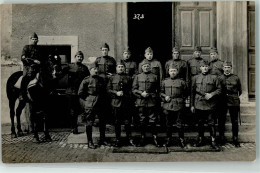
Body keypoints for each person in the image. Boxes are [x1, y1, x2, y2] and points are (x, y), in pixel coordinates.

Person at [190, 60, 222, 149]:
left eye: (206, 66)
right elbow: (192, 92)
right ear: (200, 68)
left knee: (211, 122)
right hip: (199, 102)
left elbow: (219, 90)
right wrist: (192, 105)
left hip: (210, 103)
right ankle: (200, 139)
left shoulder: (214, 78)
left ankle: (213, 141)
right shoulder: (195, 78)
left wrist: (211, 94)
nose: (205, 68)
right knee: (200, 122)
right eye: (203, 66)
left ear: (209, 67)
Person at [78, 63, 107, 149]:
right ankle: (90, 141)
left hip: (101, 102)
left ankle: (102, 139)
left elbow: (104, 91)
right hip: (90, 103)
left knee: (102, 121)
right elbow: (80, 93)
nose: (96, 70)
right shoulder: (86, 80)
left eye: (97, 68)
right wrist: (88, 100)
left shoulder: (101, 79)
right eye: (94, 69)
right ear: (90, 70)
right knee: (89, 122)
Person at [132, 59, 160, 147]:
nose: (146, 67)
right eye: (144, 66)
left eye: (148, 66)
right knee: (142, 119)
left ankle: (154, 137)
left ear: (150, 67)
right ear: (142, 67)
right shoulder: (137, 77)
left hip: (152, 100)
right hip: (141, 101)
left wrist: (154, 96)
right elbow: (133, 90)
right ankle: (142, 137)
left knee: (153, 119)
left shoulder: (155, 76)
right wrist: (141, 93)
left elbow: (159, 90)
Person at [107, 60, 135, 147]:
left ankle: (129, 138)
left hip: (126, 103)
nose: (121, 68)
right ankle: (118, 139)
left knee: (127, 122)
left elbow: (132, 89)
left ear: (124, 68)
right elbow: (108, 89)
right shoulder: (112, 78)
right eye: (119, 67)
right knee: (117, 122)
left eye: (122, 67)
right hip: (116, 103)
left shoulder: (129, 78)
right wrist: (116, 93)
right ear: (116, 68)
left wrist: (127, 94)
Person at [161, 64, 188, 148]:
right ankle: (168, 139)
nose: (173, 72)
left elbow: (186, 93)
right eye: (171, 71)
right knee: (168, 123)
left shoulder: (182, 82)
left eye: (174, 71)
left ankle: (181, 139)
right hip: (168, 104)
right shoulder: (164, 82)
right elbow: (160, 92)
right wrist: (165, 97)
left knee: (180, 123)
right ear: (168, 72)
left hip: (179, 104)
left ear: (177, 72)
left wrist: (182, 100)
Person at [62, 51, 90, 134]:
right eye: (78, 56)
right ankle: (74, 127)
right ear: (75, 57)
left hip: (81, 92)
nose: (79, 58)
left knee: (82, 110)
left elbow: (88, 79)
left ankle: (85, 127)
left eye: (81, 57)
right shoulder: (70, 66)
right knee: (72, 111)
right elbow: (61, 74)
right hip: (71, 92)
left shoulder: (85, 68)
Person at [221, 61, 242, 147]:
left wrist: (234, 96)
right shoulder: (220, 78)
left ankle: (235, 138)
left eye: (228, 67)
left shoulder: (236, 78)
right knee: (221, 120)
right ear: (223, 68)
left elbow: (240, 91)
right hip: (222, 101)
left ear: (231, 68)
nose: (227, 69)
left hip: (233, 101)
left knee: (235, 120)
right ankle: (221, 138)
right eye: (225, 67)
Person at [95, 43, 116, 125]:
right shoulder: (98, 60)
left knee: (109, 100)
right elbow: (95, 70)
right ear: (101, 51)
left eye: (106, 50)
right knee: (101, 101)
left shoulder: (112, 60)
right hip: (101, 83)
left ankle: (110, 119)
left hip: (110, 83)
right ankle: (100, 120)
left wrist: (112, 75)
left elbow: (115, 71)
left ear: (108, 51)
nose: (104, 51)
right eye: (103, 50)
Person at [208, 47, 226, 144]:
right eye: (211, 54)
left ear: (217, 55)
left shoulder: (222, 63)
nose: (212, 56)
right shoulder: (208, 64)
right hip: (212, 93)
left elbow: (225, 76)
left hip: (220, 93)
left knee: (221, 116)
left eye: (214, 54)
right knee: (212, 116)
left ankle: (222, 136)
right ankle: (213, 137)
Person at [20, 32, 42, 101]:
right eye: (33, 39)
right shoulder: (26, 47)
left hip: (37, 68)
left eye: (36, 39)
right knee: (25, 79)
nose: (34, 40)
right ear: (30, 39)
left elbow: (42, 58)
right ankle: (22, 95)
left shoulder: (39, 49)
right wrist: (33, 61)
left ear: (37, 40)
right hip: (28, 67)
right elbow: (23, 58)